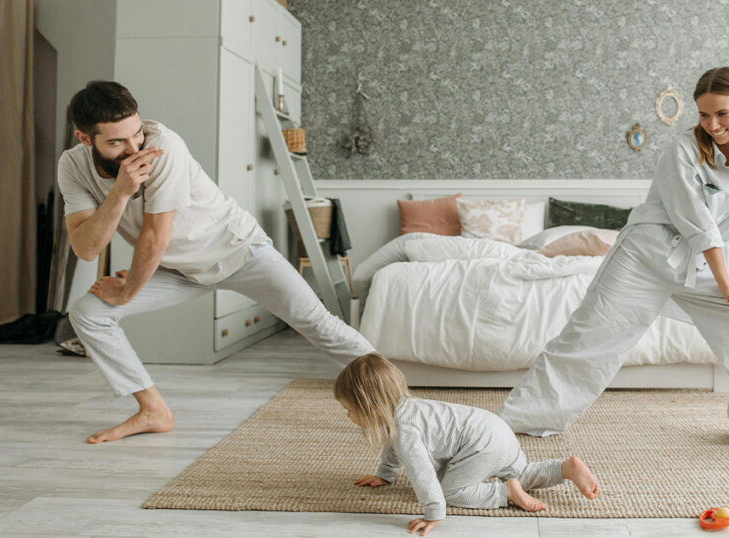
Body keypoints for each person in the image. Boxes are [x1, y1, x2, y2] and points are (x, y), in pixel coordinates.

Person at [59, 81, 375, 444]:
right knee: (87, 314)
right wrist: (119, 192)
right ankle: (153, 411)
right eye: (116, 143)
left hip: (240, 251)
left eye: (135, 134)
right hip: (180, 270)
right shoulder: (72, 166)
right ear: (85, 139)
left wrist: (128, 290)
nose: (134, 150)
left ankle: (398, 404)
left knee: (318, 323)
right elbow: (86, 247)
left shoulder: (164, 146)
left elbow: (154, 236)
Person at [498, 67, 729, 451]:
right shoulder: (683, 147)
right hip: (644, 256)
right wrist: (728, 284)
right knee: (584, 339)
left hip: (702, 265)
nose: (713, 125)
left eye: (722, 114)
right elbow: (699, 223)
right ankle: (515, 421)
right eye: (704, 115)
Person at [335, 354, 599, 537]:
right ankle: (564, 468)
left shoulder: (405, 429)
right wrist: (385, 474)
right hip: (494, 429)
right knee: (523, 473)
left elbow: (422, 474)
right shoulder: (406, 411)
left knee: (450, 491)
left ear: (370, 407)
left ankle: (506, 493)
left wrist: (433, 513)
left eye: (349, 409)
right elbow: (391, 445)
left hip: (480, 444)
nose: (347, 416)